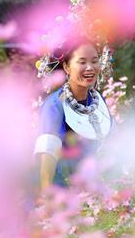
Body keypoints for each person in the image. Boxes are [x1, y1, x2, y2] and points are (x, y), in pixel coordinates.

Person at [36, 40, 115, 190]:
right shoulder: (55, 105)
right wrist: (46, 195)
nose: (90, 68)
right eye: (82, 62)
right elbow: (48, 153)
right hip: (63, 192)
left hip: (94, 188)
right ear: (66, 67)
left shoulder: (98, 100)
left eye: (94, 61)